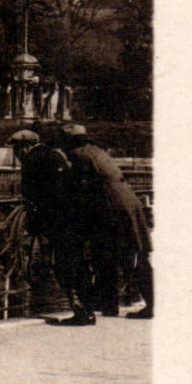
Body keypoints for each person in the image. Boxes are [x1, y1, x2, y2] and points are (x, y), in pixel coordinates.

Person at [62, 124, 154, 319]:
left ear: (70, 141)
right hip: (126, 202)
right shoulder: (97, 151)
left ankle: (121, 304)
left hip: (111, 205)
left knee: (114, 256)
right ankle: (124, 304)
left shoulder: (79, 155)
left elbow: (80, 189)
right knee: (131, 254)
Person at [10, 129, 94, 325]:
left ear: (24, 146)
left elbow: (32, 196)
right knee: (79, 262)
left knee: (64, 265)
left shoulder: (31, 160)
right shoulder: (55, 154)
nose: (16, 155)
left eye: (16, 149)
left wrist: (34, 225)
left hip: (57, 222)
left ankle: (79, 311)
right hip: (76, 218)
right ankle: (87, 308)